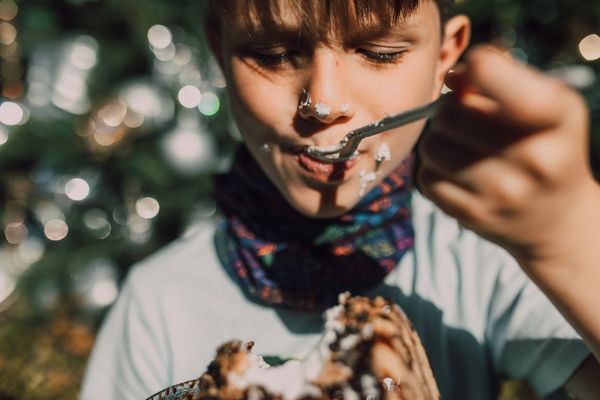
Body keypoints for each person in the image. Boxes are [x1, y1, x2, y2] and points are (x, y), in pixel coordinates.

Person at [80, 0, 600, 399]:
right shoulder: (158, 302)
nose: (323, 102)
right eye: (274, 54)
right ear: (220, 50)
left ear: (445, 54)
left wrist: (568, 236)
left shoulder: (484, 260)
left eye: (379, 52)